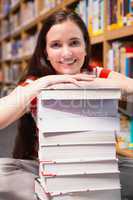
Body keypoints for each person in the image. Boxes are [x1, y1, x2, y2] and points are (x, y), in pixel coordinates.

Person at [11, 8, 133, 161]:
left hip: (97, 167)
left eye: (74, 43)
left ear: (85, 47)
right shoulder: (36, 83)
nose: (67, 53)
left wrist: (95, 84)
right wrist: (43, 83)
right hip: (50, 169)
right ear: (46, 52)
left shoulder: (96, 74)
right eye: (56, 45)